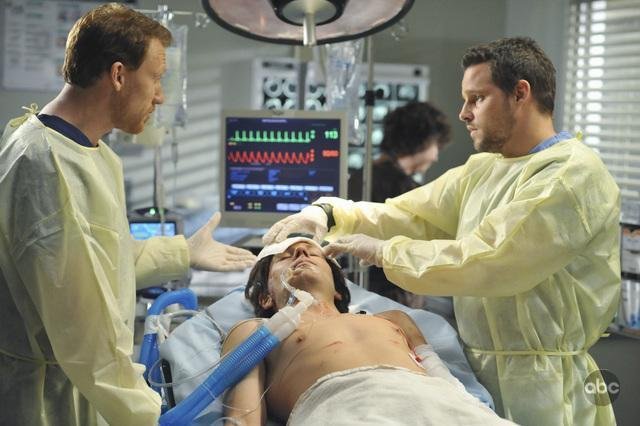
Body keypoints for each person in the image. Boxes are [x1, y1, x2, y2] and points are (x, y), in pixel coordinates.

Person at [262, 37, 620, 426]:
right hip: (472, 378)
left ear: (520, 93)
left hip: (544, 387)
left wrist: (384, 252)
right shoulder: (486, 169)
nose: (464, 113)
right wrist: (330, 213)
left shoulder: (571, 175)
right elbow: (409, 215)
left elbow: (490, 259)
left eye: (477, 99)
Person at [0, 4, 255, 426]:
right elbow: (85, 336)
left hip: (85, 387)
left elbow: (102, 261)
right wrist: (148, 416)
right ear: (118, 75)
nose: (160, 96)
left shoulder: (88, 151)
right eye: (156, 77)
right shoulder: (49, 166)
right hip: (53, 401)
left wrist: (183, 252)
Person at [222, 237, 516, 425]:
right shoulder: (257, 332)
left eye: (313, 252)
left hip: (443, 407)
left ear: (339, 290)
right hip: (347, 409)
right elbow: (242, 417)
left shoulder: (393, 319)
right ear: (266, 298)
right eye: (285, 256)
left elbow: (444, 378)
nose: (301, 251)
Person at [348, 101, 451, 307]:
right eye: (437, 146)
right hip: (391, 300)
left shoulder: (360, 176)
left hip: (359, 292)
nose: (436, 156)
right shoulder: (406, 190)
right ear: (422, 141)